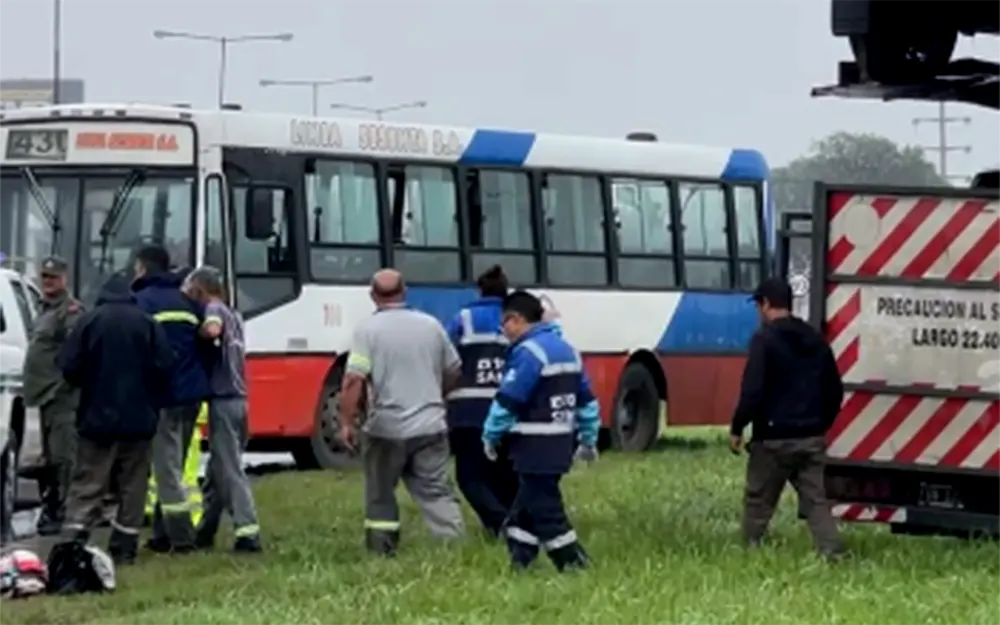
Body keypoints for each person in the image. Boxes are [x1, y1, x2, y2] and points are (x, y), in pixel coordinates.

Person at [340, 268, 465, 556]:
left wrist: (346, 422)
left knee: (381, 493)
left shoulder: (367, 331)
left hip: (386, 428)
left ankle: (382, 550)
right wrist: (437, 396)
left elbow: (353, 380)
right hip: (431, 426)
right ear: (405, 291)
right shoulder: (431, 326)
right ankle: (453, 545)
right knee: (435, 490)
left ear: (372, 295)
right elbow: (454, 369)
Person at [58, 274, 175, 565]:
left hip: (96, 420)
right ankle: (124, 547)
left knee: (88, 483)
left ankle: (73, 541)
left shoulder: (89, 321)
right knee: (133, 486)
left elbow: (69, 367)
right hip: (139, 421)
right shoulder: (148, 323)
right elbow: (165, 367)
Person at [729, 278, 846, 559]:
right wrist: (820, 423)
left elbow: (752, 390)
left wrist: (737, 428)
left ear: (766, 304)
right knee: (816, 500)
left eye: (758, 305)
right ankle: (832, 552)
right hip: (810, 436)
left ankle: (751, 550)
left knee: (758, 498)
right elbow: (834, 389)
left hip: (772, 438)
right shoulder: (815, 338)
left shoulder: (764, 339)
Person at [482, 291, 598, 572]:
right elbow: (587, 401)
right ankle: (521, 561)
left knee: (546, 509)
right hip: (560, 443)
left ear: (517, 320)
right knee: (524, 508)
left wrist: (491, 434)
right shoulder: (567, 349)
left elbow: (509, 399)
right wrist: (588, 437)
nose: (503, 331)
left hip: (533, 445)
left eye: (505, 323)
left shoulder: (528, 353)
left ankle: (573, 562)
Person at [131, 247, 211, 554]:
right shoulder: (187, 302)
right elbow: (205, 346)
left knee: (166, 470)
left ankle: (182, 539)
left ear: (143, 268)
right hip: (191, 395)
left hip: (163, 396)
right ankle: (162, 535)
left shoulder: (142, 303)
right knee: (174, 465)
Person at [182, 266, 262, 553]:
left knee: (229, 470)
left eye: (190, 291)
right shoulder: (235, 315)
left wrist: (197, 334)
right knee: (217, 469)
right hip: (241, 400)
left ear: (199, 290)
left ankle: (248, 532)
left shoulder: (213, 309)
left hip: (224, 400)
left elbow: (212, 328)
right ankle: (206, 530)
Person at [444, 265, 518, 539]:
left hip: (469, 412)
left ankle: (501, 525)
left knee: (471, 476)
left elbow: (445, 359)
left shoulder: (464, 319)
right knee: (505, 474)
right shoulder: (517, 320)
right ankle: (514, 524)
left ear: (480, 290)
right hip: (509, 411)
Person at [22, 256, 84, 536]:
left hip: (61, 396)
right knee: (48, 459)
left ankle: (65, 511)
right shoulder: (43, 309)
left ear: (65, 279)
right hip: (43, 397)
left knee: (63, 457)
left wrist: (62, 386)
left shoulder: (69, 311)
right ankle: (52, 506)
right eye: (45, 277)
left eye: (53, 277)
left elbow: (75, 354)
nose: (48, 282)